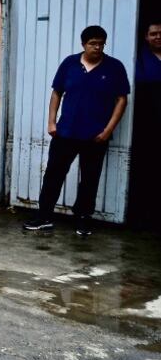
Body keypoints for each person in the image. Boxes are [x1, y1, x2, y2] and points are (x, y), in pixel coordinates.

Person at [24, 25, 130, 236]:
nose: (97, 47)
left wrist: (109, 130)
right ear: (83, 44)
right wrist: (51, 122)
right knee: (54, 174)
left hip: (96, 136)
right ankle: (43, 216)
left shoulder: (114, 67)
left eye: (101, 43)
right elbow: (56, 93)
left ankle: (82, 218)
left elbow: (122, 100)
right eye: (92, 43)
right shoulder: (69, 64)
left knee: (90, 179)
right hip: (66, 133)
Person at [130, 23, 161, 227]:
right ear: (145, 37)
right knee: (146, 166)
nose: (158, 37)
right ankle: (141, 214)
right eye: (153, 34)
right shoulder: (139, 57)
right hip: (147, 121)